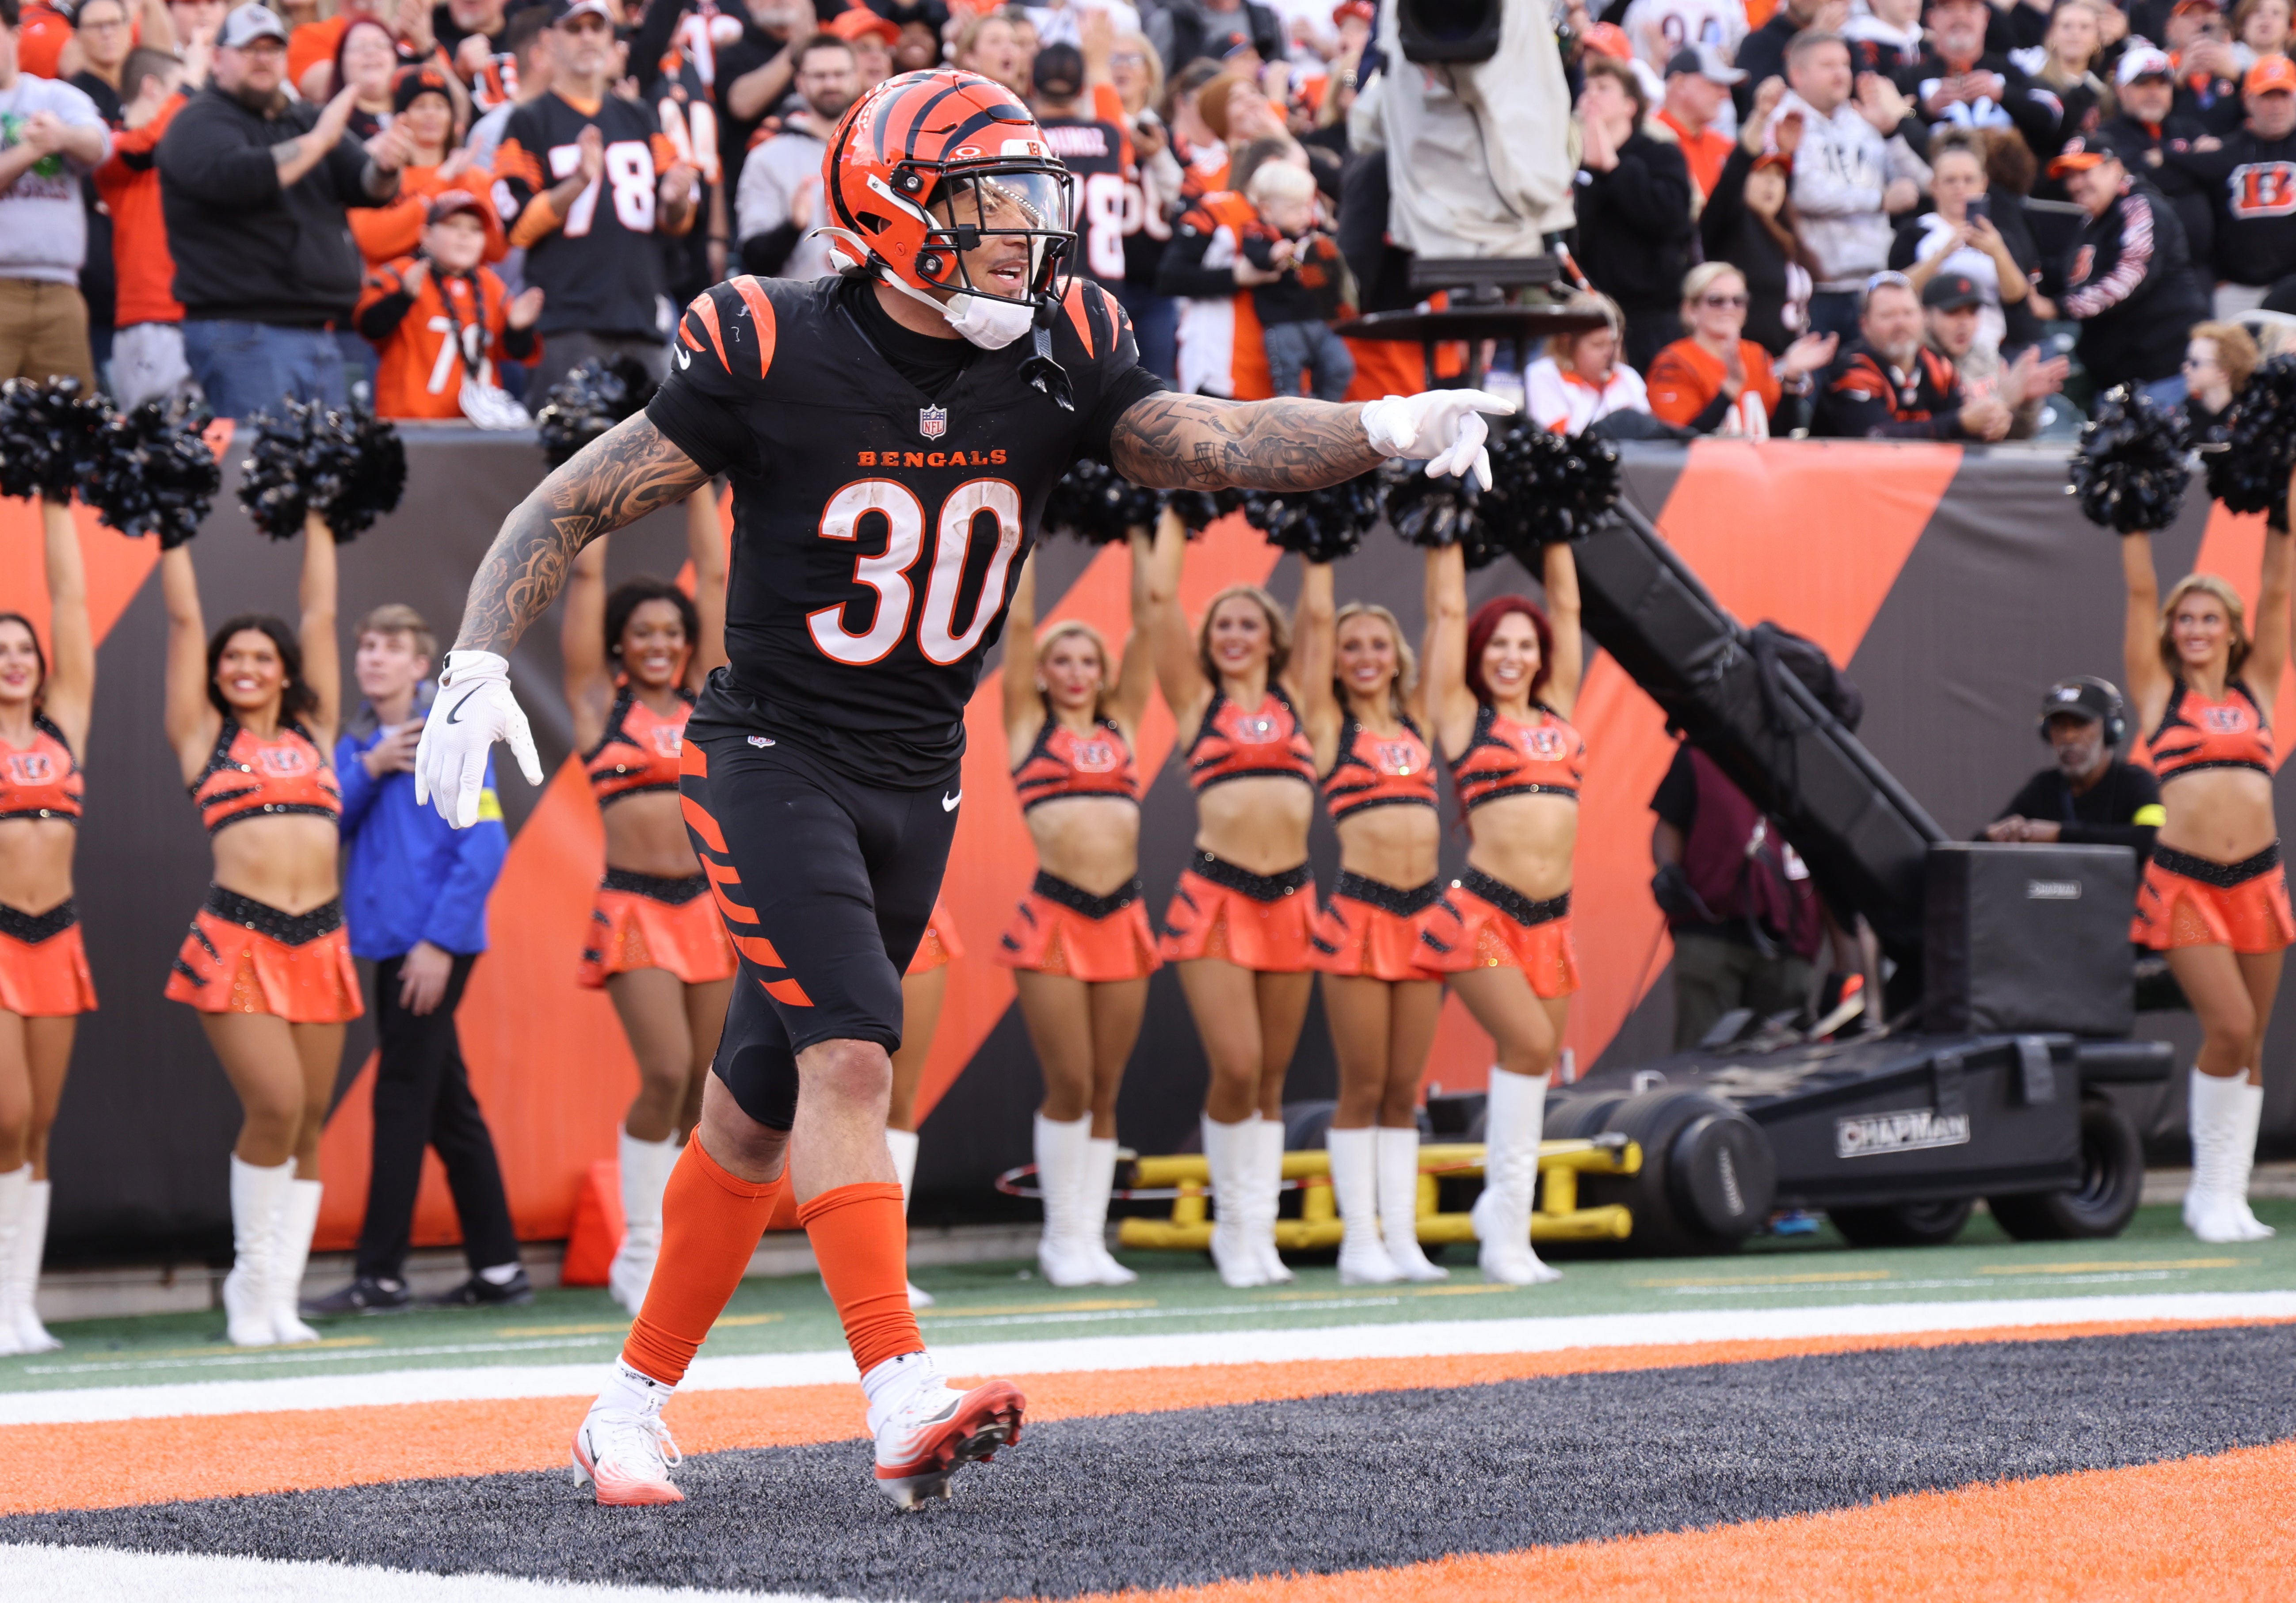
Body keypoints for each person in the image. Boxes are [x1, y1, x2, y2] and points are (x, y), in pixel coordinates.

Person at [410, 64, 1512, 1507]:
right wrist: (475, 657)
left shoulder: (1062, 346)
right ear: (891, 210)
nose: (1025, 233)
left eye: (1030, 201)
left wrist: (1383, 426)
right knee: (852, 1054)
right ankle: (897, 1391)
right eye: (990, 204)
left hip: (919, 772)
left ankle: (625, 1407)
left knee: (756, 1105)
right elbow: (569, 502)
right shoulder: (769, 341)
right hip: (773, 753)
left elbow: (1215, 440)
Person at [160, 499, 357, 1348]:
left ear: (284, 672)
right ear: (216, 674)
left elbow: (321, 613)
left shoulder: (318, 730)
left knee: (309, 1119)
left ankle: (282, 1296)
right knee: (274, 1104)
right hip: (236, 941)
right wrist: (166, 522)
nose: (245, 666)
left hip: (322, 939)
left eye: (260, 657)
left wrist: (318, 510)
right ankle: (248, 1283)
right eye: (232, 658)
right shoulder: (202, 735)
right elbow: (183, 619)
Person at [305, 605, 524, 1316]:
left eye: (391, 646)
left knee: (401, 1100)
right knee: (447, 1105)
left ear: (420, 664)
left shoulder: (453, 731)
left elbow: (484, 845)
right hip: (392, 944)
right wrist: (368, 767)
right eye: (367, 645)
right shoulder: (357, 742)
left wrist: (437, 943)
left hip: (428, 949)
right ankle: (499, 1269)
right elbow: (320, 828)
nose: (373, 657)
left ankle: (380, 1277)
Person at [562, 517, 735, 1315]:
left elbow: (716, 574)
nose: (659, 643)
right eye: (642, 632)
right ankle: (635, 1252)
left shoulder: (710, 699)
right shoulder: (599, 704)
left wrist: (702, 474)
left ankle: (681, 1252)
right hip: (633, 904)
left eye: (671, 630)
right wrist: (597, 497)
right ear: (619, 644)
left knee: (706, 1089)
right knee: (664, 1071)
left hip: (708, 905)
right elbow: (585, 582)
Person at [1144, 529, 1318, 1289]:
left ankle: (1257, 1232)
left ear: (1272, 638)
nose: (1235, 634)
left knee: (1272, 1078)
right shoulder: (1196, 702)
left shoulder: (1298, 698)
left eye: (1248, 623)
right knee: (1238, 1065)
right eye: (1222, 625)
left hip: (1292, 899)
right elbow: (1158, 600)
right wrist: (1172, 516)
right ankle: (1230, 1223)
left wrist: (1321, 528)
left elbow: (1320, 612)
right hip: (1217, 898)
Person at [2118, 515, 2292, 1243]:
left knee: (2251, 1043)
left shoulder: (2257, 688)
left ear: (2231, 630)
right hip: (2185, 884)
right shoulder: (2158, 692)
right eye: (2183, 618)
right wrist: (2129, 515)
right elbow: (2139, 591)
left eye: (2208, 617)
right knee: (2228, 1026)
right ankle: (2204, 1190)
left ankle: (2227, 1197)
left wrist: (2281, 497)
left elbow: (2277, 590)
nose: (2193, 628)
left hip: (2257, 882)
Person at [1415, 546, 1583, 1287]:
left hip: (1551, 922)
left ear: (1540, 655)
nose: (1511, 656)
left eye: (1524, 644)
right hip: (1481, 915)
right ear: (1478, 653)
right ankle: (1504, 1228)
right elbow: (1446, 608)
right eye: (1498, 645)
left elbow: (1567, 607)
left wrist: (1557, 529)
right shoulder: (1461, 718)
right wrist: (1443, 530)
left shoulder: (1560, 710)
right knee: (1525, 1044)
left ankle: (1507, 1222)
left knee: (1536, 1063)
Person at [996, 540, 1158, 1287]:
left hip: (1122, 918)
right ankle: (1060, 1239)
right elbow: (1018, 622)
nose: (1073, 671)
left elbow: (1148, 624)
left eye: (1087, 660)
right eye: (1060, 660)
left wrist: (1144, 531)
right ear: (1042, 673)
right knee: (1069, 1079)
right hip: (1054, 920)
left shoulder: (1122, 725)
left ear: (1103, 672)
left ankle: (1091, 1242)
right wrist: (1025, 527)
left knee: (1106, 1086)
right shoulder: (1028, 726)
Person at [1294, 559, 1451, 1287]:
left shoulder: (1419, 720)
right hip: (1359, 916)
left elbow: (1447, 617)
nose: (1363, 656)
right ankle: (1360, 1241)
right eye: (1350, 647)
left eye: (1377, 645)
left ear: (1397, 656)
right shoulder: (1329, 726)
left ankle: (1402, 1238)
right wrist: (1317, 548)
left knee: (1402, 1086)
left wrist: (1444, 540)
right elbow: (1313, 621)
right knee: (1360, 1084)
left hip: (1422, 920)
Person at [157, 2, 414, 417]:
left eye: (273, 49)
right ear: (218, 59)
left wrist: (386, 166)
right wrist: (319, 142)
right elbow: (240, 176)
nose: (263, 59)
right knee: (265, 454)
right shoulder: (198, 121)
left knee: (324, 457)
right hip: (243, 331)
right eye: (250, 49)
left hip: (317, 330)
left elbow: (368, 187)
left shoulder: (304, 118)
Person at [492, 0, 698, 397]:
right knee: (567, 433)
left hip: (642, 316)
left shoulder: (639, 117)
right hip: (566, 321)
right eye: (575, 28)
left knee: (657, 437)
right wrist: (577, 184)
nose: (587, 37)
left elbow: (675, 222)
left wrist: (676, 199)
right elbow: (516, 229)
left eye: (597, 27)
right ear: (548, 40)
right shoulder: (529, 120)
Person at [0, 498, 95, 1356]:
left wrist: (56, 497)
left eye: (23, 649)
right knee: (7, 1114)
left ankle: (20, 1305)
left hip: (55, 938)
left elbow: (71, 601)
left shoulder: (65, 723)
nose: (15, 660)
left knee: (39, 1127)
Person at [1650, 742, 1824, 1051]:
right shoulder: (1701, 751)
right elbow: (1669, 824)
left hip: (1789, 944)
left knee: (1781, 1066)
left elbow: (1835, 863)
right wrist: (1668, 870)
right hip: (1710, 931)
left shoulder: (1819, 761)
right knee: (1700, 1061)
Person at [1777, 28, 1930, 342]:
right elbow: (1805, 193)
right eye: (1828, 65)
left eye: (1845, 65)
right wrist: (1879, 201)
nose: (1841, 74)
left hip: (1874, 281)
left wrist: (1891, 132)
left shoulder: (1863, 119)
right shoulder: (1782, 121)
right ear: (1797, 75)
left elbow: (1923, 185)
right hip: (1819, 286)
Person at [2050, 135, 2212, 404]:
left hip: (2163, 374)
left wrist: (2055, 308)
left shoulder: (2140, 206)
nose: (2075, 184)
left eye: (2084, 173)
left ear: (2115, 168)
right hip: (2120, 381)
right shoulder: (2094, 220)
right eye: (2070, 176)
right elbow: (2074, 276)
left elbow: (2126, 279)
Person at [355, 188, 541, 419]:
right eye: (453, 226)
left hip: (479, 425)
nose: (465, 235)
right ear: (426, 235)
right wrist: (402, 299)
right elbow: (368, 328)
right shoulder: (402, 273)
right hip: (412, 422)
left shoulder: (491, 285)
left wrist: (517, 329)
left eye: (475, 229)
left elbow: (516, 353)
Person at [0, 0, 111, 390]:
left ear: (16, 34)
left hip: (61, 291)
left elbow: (99, 146)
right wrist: (33, 149)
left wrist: (62, 136)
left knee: (73, 416)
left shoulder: (56, 96)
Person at [1572, 54, 1698, 373]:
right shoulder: (1571, 164)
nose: (1592, 96)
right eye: (1587, 89)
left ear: (1630, 105)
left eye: (1604, 88)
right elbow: (1572, 235)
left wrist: (1616, 169)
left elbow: (1671, 219)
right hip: (1590, 317)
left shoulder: (1660, 154)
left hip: (1652, 318)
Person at [93, 46, 195, 409]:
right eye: (180, 89)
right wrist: (190, 88)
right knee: (152, 434)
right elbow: (146, 144)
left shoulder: (188, 148)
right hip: (150, 317)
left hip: (202, 314)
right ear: (152, 87)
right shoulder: (112, 143)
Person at [1888, 134, 2044, 360]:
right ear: (1934, 186)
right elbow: (1895, 290)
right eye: (1950, 180)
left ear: (1983, 183)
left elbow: (2017, 296)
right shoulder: (1914, 232)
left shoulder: (1998, 236)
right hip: (1932, 349)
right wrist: (1942, 255)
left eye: (1969, 180)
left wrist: (1997, 253)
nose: (1960, 188)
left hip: (1999, 348)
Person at [2164, 53, 2296, 316]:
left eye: (2284, 96)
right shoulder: (2225, 151)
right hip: (2236, 287)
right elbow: (2170, 168)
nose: (2277, 106)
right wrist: (2159, 156)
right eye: (2267, 97)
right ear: (2248, 100)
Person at [1985, 677, 2164, 867]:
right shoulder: (2044, 786)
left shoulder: (2136, 782)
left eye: (2081, 724)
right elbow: (1979, 845)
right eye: (2060, 726)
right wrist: (2000, 834)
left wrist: (2059, 835)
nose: (2069, 736)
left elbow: (2155, 838)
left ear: (2110, 729)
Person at [1812, 271, 2012, 439]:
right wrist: (1961, 423)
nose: (1901, 324)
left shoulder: (1938, 367)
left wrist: (1991, 423)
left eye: (1908, 313)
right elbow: (1877, 437)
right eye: (1887, 315)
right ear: (1865, 325)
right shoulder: (1852, 371)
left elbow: (1965, 423)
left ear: (1923, 317)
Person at [1647, 261, 1837, 435]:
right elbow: (1678, 445)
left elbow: (1778, 436)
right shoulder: (1673, 364)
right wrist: (1730, 388)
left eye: (1738, 301)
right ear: (1691, 310)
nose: (1729, 308)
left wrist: (1790, 377)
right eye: (1716, 300)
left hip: (1756, 462)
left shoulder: (1757, 355)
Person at [348, 64, 506, 267]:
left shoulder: (475, 178)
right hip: (394, 283)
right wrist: (441, 182)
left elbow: (497, 251)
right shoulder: (380, 176)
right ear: (401, 118)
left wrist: (462, 180)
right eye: (420, 106)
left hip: (461, 286)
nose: (431, 114)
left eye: (440, 106)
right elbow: (371, 243)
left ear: (452, 118)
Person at [1701, 79, 1815, 355]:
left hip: (1788, 363)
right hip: (1741, 361)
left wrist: (1788, 151)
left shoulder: (1783, 232)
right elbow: (1732, 178)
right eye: (1762, 175)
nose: (1771, 185)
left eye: (1778, 177)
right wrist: (1761, 117)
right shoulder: (1731, 224)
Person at [733, 31, 855, 280]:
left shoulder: (881, 150)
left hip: (873, 299)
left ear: (856, 77)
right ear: (799, 81)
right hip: (802, 297)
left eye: (840, 74)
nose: (831, 84)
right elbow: (755, 259)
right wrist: (793, 226)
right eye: (820, 76)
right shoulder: (768, 157)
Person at [1239, 159, 1350, 401]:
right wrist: (1273, 255)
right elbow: (1256, 256)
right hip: (1284, 322)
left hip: (1320, 318)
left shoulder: (1314, 230)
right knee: (1288, 384)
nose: (1304, 215)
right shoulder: (1261, 233)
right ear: (1267, 210)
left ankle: (1324, 409)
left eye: (1307, 207)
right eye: (1294, 209)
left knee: (1341, 367)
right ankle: (1290, 420)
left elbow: (1337, 249)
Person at [2096, 47, 2218, 264]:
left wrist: (2165, 158)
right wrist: (2192, 161)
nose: (2154, 93)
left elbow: (2217, 169)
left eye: (2162, 85)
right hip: (2135, 265)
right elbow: (2141, 180)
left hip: (2200, 265)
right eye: (2143, 84)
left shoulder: (2190, 128)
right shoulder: (2106, 137)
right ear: (2121, 90)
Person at [1922, 270, 2070, 438]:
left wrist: (2025, 405)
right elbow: (1924, 433)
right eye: (1953, 312)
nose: (1964, 323)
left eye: (1972, 312)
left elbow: (2016, 437)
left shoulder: (1986, 358)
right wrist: (2003, 402)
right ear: (1925, 316)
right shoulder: (1915, 364)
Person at [1525, 290, 1650, 435]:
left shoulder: (1628, 377)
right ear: (1567, 343)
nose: (1610, 354)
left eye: (1616, 343)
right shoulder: (1543, 375)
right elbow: (1559, 438)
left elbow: (1650, 434)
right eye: (1598, 345)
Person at [1656, 44, 1743, 202]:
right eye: (1716, 83)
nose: (1726, 94)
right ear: (1680, 84)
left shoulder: (1724, 147)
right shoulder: (1647, 139)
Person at [2181, 318, 2259, 442]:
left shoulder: (2246, 419)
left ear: (2224, 372)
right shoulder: (2186, 415)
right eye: (2187, 360)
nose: (2186, 368)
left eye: (2195, 363)